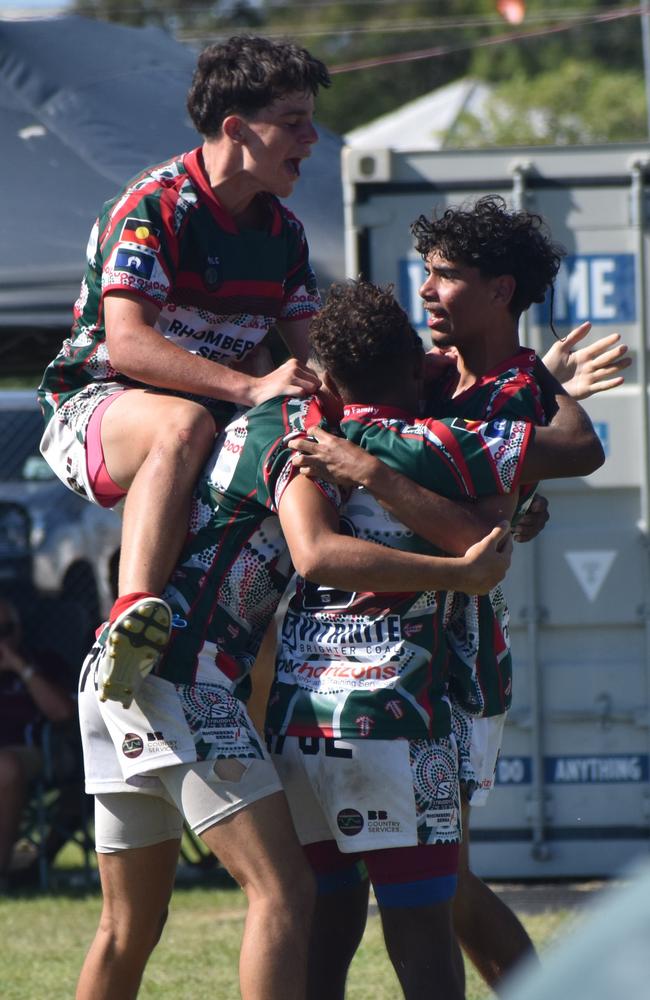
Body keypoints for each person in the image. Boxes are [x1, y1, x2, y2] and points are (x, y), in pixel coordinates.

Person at [75, 355, 522, 999]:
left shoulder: (227, 420)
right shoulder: (297, 426)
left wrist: (537, 376)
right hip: (180, 674)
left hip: (116, 669)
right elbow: (315, 553)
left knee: (126, 928)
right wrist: (460, 574)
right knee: (283, 892)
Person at [287, 201, 628, 993]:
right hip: (375, 673)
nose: (428, 290)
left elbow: (567, 459)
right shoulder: (430, 374)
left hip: (444, 674)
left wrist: (380, 475)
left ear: (501, 289)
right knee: (430, 887)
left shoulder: (512, 390)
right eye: (427, 272)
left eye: (446, 275)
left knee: (437, 892)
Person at [37, 34, 328, 711]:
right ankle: (129, 620)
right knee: (185, 420)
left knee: (298, 438)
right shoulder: (155, 206)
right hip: (95, 407)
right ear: (236, 128)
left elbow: (319, 362)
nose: (312, 138)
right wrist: (253, 387)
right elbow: (131, 347)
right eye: (293, 121)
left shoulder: (283, 233)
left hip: (207, 423)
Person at [0, 597, 76, 891]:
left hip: (34, 750)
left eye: (5, 630)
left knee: (4, 767)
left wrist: (21, 668)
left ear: (19, 629)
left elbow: (63, 713)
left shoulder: (43, 662)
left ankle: (3, 874)